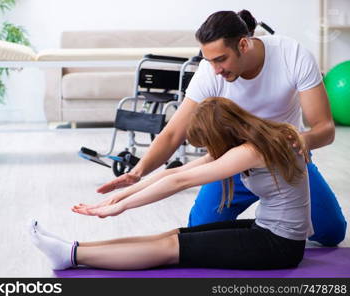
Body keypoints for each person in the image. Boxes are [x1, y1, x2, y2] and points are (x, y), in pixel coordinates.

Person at [95, 10, 346, 246]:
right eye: (209, 61)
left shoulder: (292, 54)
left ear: (244, 45)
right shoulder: (210, 72)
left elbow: (324, 128)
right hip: (233, 163)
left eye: (221, 59)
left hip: (284, 160)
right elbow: (172, 134)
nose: (215, 70)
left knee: (333, 232)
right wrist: (138, 172)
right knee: (201, 227)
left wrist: (300, 142)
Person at [30, 97, 312, 270]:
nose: (208, 151)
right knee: (172, 236)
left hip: (279, 246)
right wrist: (119, 195)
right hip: (266, 229)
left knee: (170, 250)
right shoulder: (258, 137)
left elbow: (180, 180)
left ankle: (73, 255)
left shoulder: (250, 151)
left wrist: (122, 207)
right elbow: (170, 173)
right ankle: (72, 248)